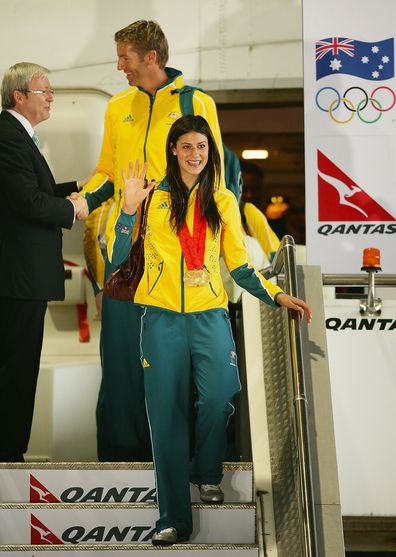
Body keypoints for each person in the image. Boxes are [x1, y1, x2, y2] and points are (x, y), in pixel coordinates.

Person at [109, 115, 312, 545]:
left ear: (210, 151)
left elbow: (239, 263)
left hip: (209, 317)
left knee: (220, 397)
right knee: (165, 415)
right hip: (160, 318)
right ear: (173, 151)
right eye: (186, 147)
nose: (195, 154)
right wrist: (127, 210)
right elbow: (117, 258)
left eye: (201, 146)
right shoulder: (150, 197)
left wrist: (275, 295)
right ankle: (173, 518)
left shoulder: (223, 199)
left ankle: (207, 471)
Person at [77, 20, 224, 462]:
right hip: (123, 254)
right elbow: (107, 172)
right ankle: (121, 460)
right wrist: (80, 203)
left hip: (178, 258)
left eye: (125, 57)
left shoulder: (196, 102)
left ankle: (183, 463)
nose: (119, 65)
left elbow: (211, 173)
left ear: (151, 58)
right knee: (121, 363)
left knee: (178, 369)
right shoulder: (117, 106)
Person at [0, 62, 89, 462]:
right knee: (15, 372)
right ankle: (8, 457)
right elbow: (27, 202)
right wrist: (73, 211)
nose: (52, 97)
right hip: (18, 278)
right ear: (19, 96)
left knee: (18, 370)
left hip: (22, 278)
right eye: (45, 91)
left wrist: (78, 190)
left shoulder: (20, 136)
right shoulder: (7, 135)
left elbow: (35, 189)